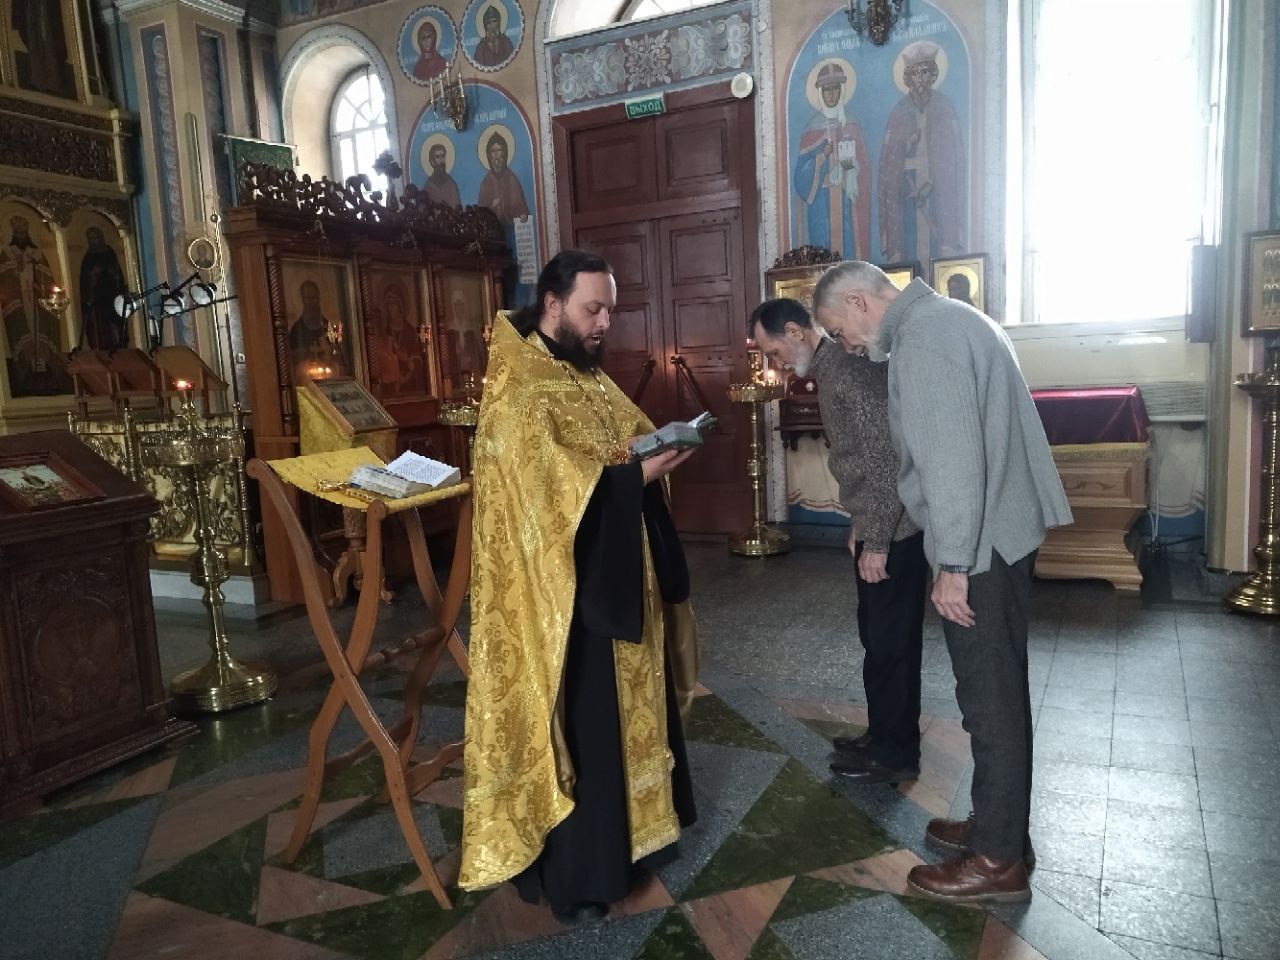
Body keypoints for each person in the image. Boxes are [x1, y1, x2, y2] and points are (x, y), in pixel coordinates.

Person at [811, 261, 1071, 904]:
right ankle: (1000, 827)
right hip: (1002, 530)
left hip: (980, 545)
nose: (846, 345)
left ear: (858, 301)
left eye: (839, 330)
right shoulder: (952, 319)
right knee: (998, 687)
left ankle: (998, 862)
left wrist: (953, 565)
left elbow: (952, 462)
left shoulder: (925, 339)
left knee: (989, 698)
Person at [459, 250, 699, 924]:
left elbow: (624, 441)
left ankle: (638, 841)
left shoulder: (584, 376)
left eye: (609, 312)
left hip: (616, 570)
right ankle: (583, 875)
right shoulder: (519, 387)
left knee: (625, 718)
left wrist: (657, 451)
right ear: (552, 303)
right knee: (586, 725)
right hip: (563, 594)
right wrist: (635, 476)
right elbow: (543, 496)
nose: (603, 325)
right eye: (593, 310)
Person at [750, 297, 928, 784]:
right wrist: (859, 524)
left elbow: (885, 461)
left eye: (773, 351)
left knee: (891, 644)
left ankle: (896, 753)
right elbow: (862, 463)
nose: (774, 363)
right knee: (877, 638)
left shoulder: (845, 372)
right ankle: (883, 734)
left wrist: (877, 541)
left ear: (795, 332)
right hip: (881, 524)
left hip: (895, 533)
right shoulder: (831, 371)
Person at [878, 41, 965, 264]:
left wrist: (932, 183)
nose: (920, 79)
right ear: (908, 77)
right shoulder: (898, 112)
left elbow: (953, 160)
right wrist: (906, 144)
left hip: (938, 192)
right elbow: (888, 164)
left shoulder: (944, 108)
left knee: (938, 244)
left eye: (925, 72)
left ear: (933, 75)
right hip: (907, 190)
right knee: (909, 247)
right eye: (915, 73)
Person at [793, 62, 871, 258]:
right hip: (821, 202)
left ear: (841, 90)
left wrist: (851, 172)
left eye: (835, 89)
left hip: (847, 199)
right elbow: (800, 176)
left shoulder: (851, 124)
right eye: (826, 89)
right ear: (821, 92)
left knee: (849, 251)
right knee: (823, 254)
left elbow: (864, 167)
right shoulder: (811, 129)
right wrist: (821, 157)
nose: (830, 94)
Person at [78, 226, 129, 350]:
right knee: (97, 326)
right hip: (95, 298)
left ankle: (117, 345)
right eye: (90, 239)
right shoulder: (88, 256)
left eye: (95, 238)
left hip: (110, 295)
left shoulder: (109, 253)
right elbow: (84, 278)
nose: (93, 241)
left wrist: (102, 273)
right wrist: (91, 280)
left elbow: (116, 274)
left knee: (113, 322)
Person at [287, 279, 348, 380]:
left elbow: (337, 352)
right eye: (309, 298)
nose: (313, 301)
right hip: (306, 378)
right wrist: (305, 354)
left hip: (328, 375)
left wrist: (331, 354)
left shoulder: (327, 326)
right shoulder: (296, 329)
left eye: (315, 297)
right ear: (303, 299)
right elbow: (292, 360)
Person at [477, 132, 530, 226]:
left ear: (503, 152)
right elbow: (481, 211)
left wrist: (522, 213)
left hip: (510, 226)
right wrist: (492, 206)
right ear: (489, 155)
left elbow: (520, 204)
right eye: (493, 151)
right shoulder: (486, 182)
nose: (496, 154)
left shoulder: (511, 179)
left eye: (499, 150)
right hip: (492, 228)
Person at [423, 143, 462, 209]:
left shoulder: (451, 184)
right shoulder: (428, 185)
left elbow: (456, 208)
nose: (441, 160)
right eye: (437, 157)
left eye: (443, 156)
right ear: (432, 162)